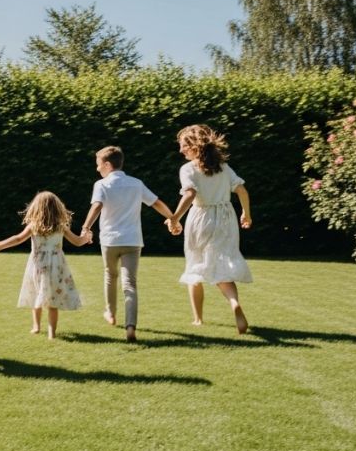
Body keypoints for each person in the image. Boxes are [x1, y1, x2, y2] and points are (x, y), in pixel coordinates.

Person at [79, 146, 176, 342]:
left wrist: (86, 227)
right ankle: (130, 326)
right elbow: (156, 202)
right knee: (130, 284)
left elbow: (96, 206)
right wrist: (173, 218)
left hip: (110, 240)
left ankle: (111, 313)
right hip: (132, 240)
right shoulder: (136, 183)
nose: (97, 169)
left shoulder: (102, 184)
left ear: (107, 164)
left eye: (98, 165)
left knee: (110, 276)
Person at [167, 124, 253, 334]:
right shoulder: (223, 167)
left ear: (194, 146)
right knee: (223, 263)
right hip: (226, 217)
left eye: (184, 146)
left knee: (195, 265)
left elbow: (189, 195)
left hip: (201, 217)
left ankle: (198, 319)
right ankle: (234, 303)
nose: (181, 151)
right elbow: (242, 190)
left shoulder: (188, 169)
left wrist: (174, 218)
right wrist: (246, 214)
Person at [0, 191, 87, 339]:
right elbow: (78, 242)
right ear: (57, 208)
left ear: (37, 208)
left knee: (37, 295)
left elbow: (17, 239)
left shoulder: (34, 226)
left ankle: (36, 327)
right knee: (52, 301)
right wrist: (87, 237)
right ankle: (51, 333)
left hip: (38, 266)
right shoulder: (61, 226)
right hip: (57, 266)